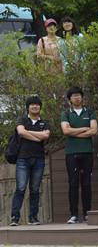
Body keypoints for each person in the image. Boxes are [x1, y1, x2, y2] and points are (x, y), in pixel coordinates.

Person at [10, 96, 50, 226]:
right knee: (20, 188)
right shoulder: (22, 119)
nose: (35, 106)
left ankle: (33, 218)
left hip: (39, 159)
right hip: (23, 159)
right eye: (32, 104)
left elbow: (46, 135)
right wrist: (38, 137)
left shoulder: (44, 122)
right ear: (28, 107)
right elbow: (21, 132)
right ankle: (15, 218)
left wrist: (29, 133)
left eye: (37, 104)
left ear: (40, 107)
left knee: (35, 189)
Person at [60, 86, 98, 224]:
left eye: (79, 95)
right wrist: (83, 129)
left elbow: (94, 130)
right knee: (73, 183)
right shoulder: (66, 113)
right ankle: (73, 214)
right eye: (73, 96)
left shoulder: (90, 112)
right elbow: (65, 131)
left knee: (86, 183)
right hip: (71, 153)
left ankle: (87, 213)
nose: (76, 97)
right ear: (70, 99)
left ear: (82, 97)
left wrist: (74, 132)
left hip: (87, 152)